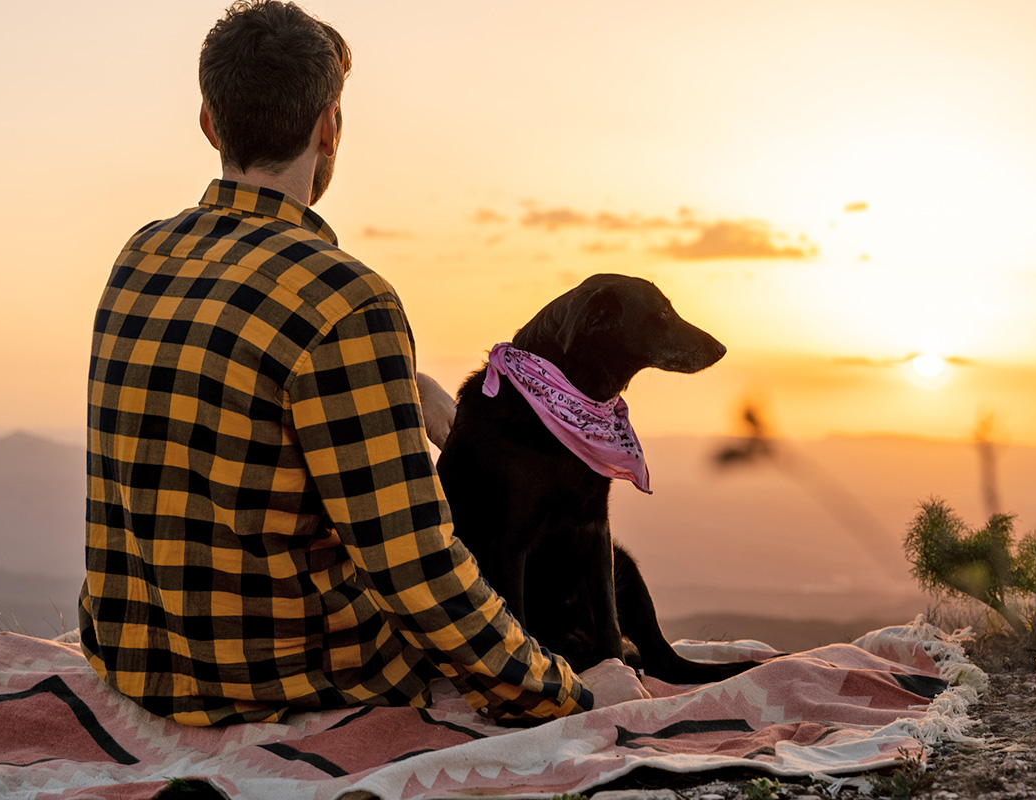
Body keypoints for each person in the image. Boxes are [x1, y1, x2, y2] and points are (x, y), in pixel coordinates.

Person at [78, 0, 648, 726]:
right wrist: (570, 692)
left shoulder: (143, 255)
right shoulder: (348, 301)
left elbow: (241, 374)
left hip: (137, 659)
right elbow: (420, 574)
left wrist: (404, 391)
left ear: (210, 122)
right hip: (282, 677)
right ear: (329, 127)